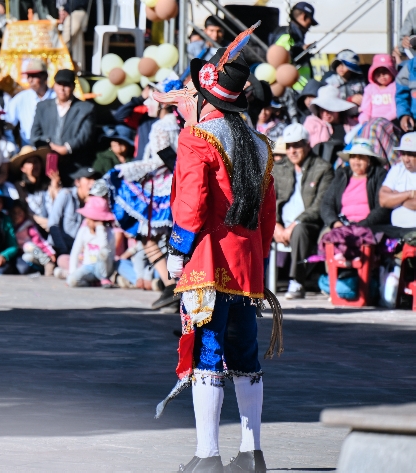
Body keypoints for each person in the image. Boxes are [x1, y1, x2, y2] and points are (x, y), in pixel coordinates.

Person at [153, 34, 278, 471]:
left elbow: (192, 204)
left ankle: (207, 455)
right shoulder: (261, 143)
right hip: (246, 265)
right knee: (245, 354)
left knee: (207, 352)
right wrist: (259, 261)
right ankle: (252, 452)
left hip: (207, 260)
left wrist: (176, 250)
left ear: (205, 98)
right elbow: (267, 216)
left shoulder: (196, 137)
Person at [273, 123, 334, 299]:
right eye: (289, 146)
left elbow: (319, 205)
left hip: (308, 225)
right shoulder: (279, 168)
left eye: (297, 146)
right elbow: (268, 200)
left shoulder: (322, 168)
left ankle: (297, 281)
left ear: (307, 145)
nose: (292, 151)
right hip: (279, 223)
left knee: (299, 230)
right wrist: (275, 223)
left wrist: (294, 224)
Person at [31, 69, 96, 181]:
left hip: (76, 168)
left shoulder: (86, 108)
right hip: (47, 166)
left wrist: (66, 148)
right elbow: (34, 135)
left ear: (73, 87)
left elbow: (85, 136)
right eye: (59, 84)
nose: (62, 88)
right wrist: (49, 146)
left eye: (66, 85)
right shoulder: (42, 107)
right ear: (54, 86)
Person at [320, 139, 391, 230]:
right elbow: (326, 203)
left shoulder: (379, 175)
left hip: (369, 227)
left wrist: (359, 226)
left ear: (370, 160)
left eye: (361, 157)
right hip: (341, 227)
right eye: (353, 157)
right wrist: (335, 222)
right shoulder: (341, 174)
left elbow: (382, 208)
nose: (356, 161)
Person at [47, 165, 98, 256]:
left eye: (94, 179)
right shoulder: (66, 194)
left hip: (79, 251)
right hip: (58, 249)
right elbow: (53, 223)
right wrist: (63, 250)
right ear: (77, 182)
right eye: (88, 179)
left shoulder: (93, 201)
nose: (93, 182)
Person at [66, 196, 116, 288]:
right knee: (72, 281)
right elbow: (75, 251)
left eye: (91, 219)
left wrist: (100, 228)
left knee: (104, 252)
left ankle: (103, 278)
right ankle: (91, 283)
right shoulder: (84, 230)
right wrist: (72, 272)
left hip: (104, 268)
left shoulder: (109, 233)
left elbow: (104, 249)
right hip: (88, 267)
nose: (87, 221)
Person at [4, 59, 55, 146]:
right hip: (29, 146)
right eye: (28, 76)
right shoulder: (21, 98)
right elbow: (8, 122)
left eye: (34, 76)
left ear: (45, 76)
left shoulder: (56, 97)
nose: (30, 80)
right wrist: (10, 144)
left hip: (54, 146)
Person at [269, 2, 318, 90]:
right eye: (310, 23)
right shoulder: (287, 35)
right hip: (291, 90)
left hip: (298, 89)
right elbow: (280, 58)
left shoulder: (295, 37)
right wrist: (301, 50)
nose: (309, 27)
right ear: (303, 17)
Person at [10, 146, 58, 229]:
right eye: (29, 162)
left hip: (53, 224)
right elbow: (26, 213)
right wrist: (47, 223)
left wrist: (55, 185)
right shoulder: (20, 187)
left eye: (36, 161)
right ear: (23, 168)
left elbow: (58, 205)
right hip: (33, 228)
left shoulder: (49, 184)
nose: (34, 165)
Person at [304, 86, 358, 150]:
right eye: (322, 110)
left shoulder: (352, 125)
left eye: (329, 109)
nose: (325, 113)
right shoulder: (312, 123)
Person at [380, 132, 416, 229]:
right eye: (403, 154)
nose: (406, 159)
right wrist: (410, 194)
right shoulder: (397, 169)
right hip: (396, 229)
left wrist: (396, 198)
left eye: (411, 154)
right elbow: (383, 200)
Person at [11, 201, 56, 275]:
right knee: (27, 257)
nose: (16, 215)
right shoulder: (10, 226)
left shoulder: (28, 226)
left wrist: (49, 252)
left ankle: (47, 262)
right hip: (22, 255)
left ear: (24, 213)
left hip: (35, 251)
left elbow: (39, 240)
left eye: (19, 213)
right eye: (14, 213)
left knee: (28, 246)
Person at [358, 55, 397, 124]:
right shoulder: (370, 88)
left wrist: (381, 121)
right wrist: (364, 120)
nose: (382, 75)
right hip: (372, 122)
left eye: (385, 71)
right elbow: (365, 110)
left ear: (392, 72)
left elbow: (395, 111)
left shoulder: (395, 88)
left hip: (390, 121)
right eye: (378, 72)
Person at [57, 0, 87, 70]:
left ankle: (61, 66)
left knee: (71, 24)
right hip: (51, 11)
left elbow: (80, 2)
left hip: (75, 9)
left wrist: (66, 10)